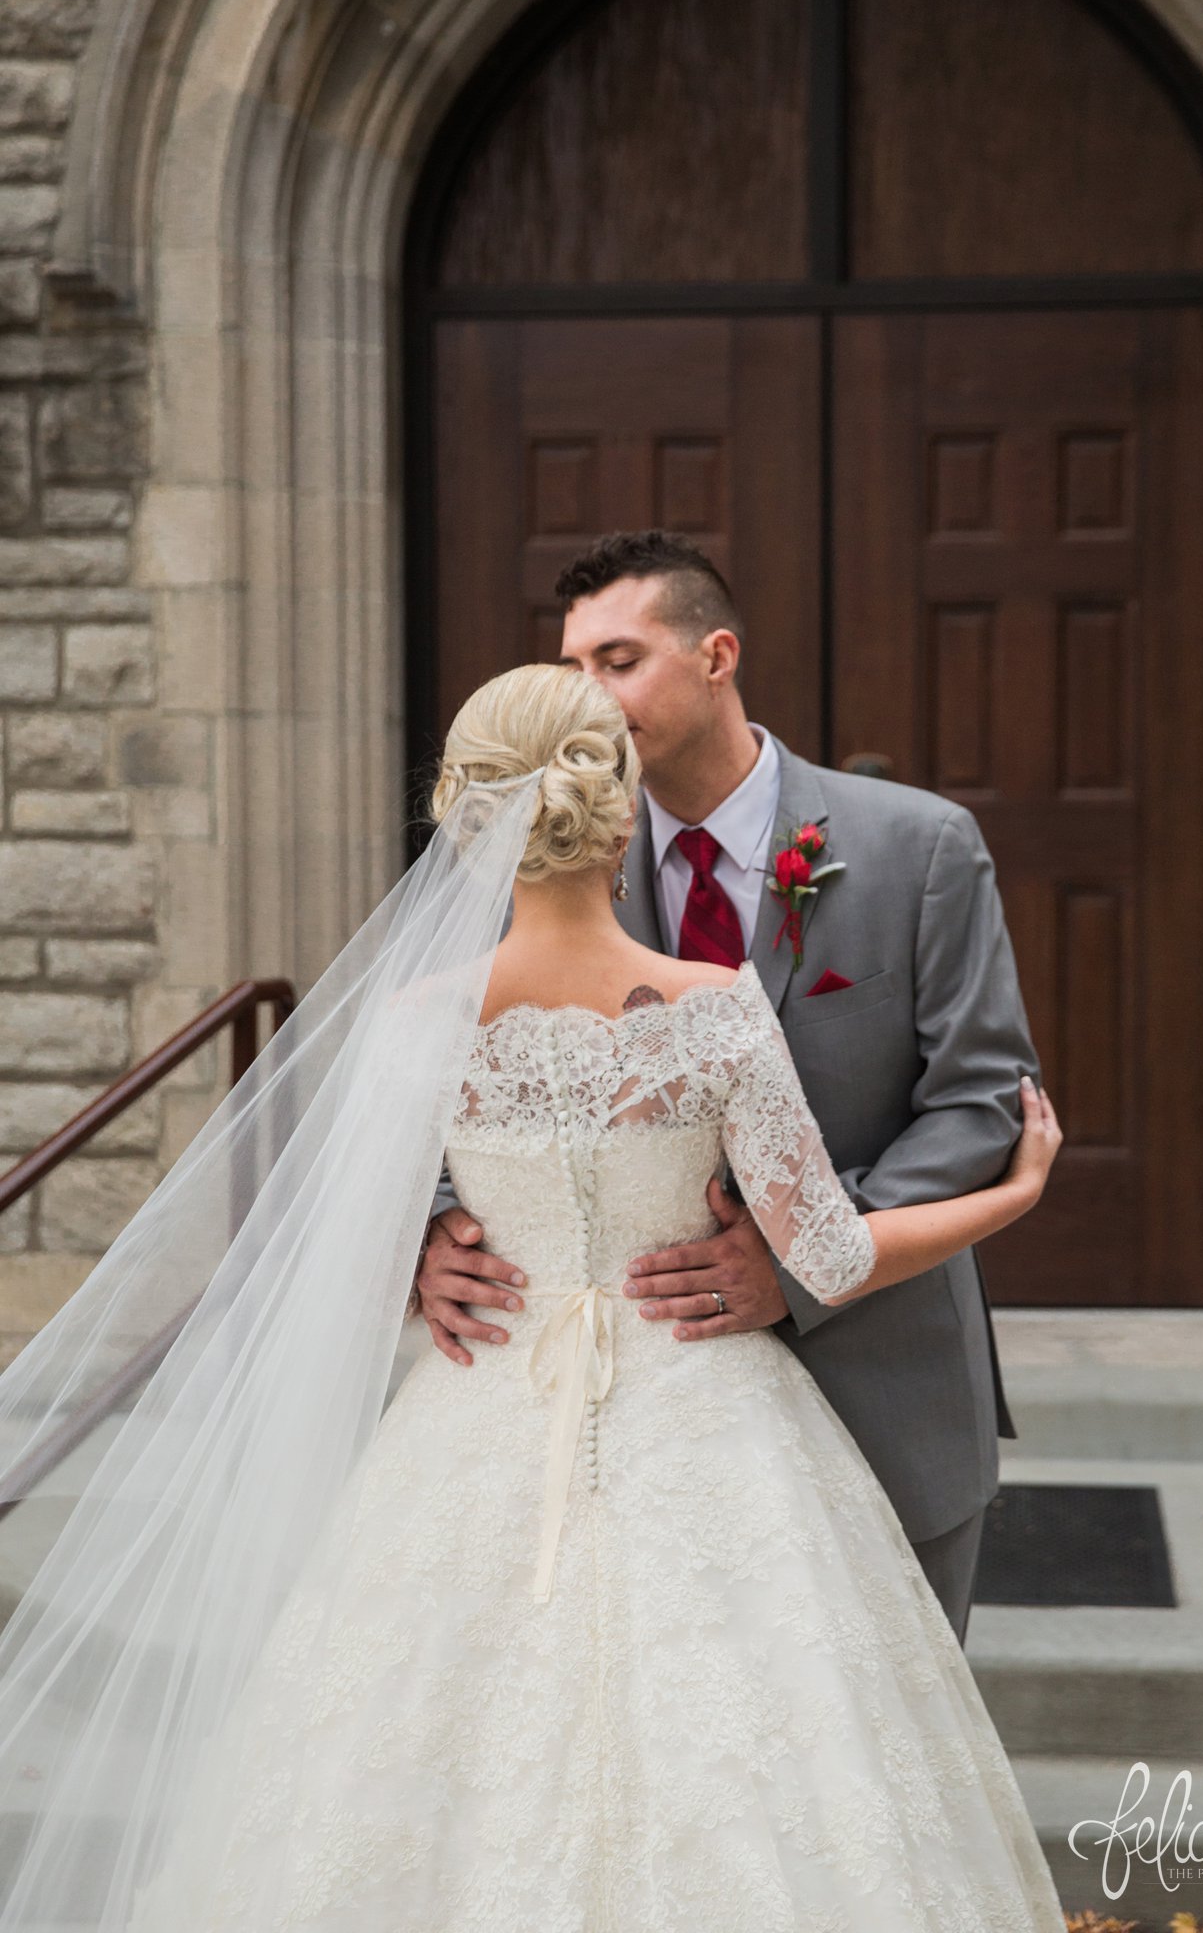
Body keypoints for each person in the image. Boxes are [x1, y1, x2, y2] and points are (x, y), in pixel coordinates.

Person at [101, 661, 1066, 1929]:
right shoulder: (714, 1010)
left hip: (481, 1400)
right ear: (618, 814)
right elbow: (824, 1254)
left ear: (466, 815)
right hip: (706, 1404)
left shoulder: (416, 1018)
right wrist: (1017, 1189)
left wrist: (425, 1259)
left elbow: (351, 1225)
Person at [417, 528, 1040, 1644]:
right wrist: (433, 1233)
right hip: (622, 1428)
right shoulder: (547, 870)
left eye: (618, 659)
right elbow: (443, 1101)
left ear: (716, 655)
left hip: (887, 1381)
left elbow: (981, 1101)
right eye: (571, 668)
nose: (589, 694)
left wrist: (798, 1252)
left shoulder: (920, 846)